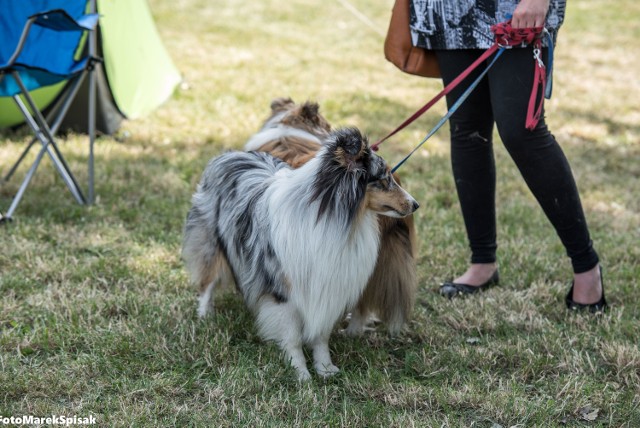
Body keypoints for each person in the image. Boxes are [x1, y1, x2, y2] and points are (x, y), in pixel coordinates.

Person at [409, 0, 606, 311]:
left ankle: (586, 266)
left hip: (512, 7)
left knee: (522, 132)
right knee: (467, 131)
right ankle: (482, 261)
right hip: (448, 9)